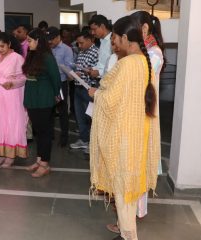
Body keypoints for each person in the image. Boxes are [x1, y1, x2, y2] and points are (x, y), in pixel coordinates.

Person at [88, 16, 160, 240]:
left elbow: (110, 100)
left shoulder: (127, 64)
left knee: (122, 190)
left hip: (124, 136)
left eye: (116, 39)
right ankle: (127, 232)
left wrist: (95, 94)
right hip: (138, 132)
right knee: (129, 189)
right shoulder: (144, 62)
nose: (113, 43)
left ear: (126, 38)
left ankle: (129, 236)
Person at [131, 10, 165, 220]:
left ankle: (134, 212)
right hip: (136, 112)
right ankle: (129, 210)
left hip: (143, 114)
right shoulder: (145, 52)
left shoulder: (154, 54)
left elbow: (139, 80)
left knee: (139, 162)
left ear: (144, 29)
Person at [23, 28, 61, 177]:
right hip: (32, 98)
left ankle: (45, 163)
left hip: (44, 99)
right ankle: (39, 160)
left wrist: (55, 95)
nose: (28, 43)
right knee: (38, 131)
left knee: (45, 132)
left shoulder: (47, 57)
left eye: (30, 40)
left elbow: (56, 79)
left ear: (38, 41)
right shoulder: (31, 55)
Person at [0, 32, 27, 168]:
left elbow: (23, 78)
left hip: (11, 94)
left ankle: (10, 155)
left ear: (9, 44)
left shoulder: (17, 58)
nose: (0, 49)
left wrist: (12, 83)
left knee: (11, 122)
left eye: (2, 46)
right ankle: (2, 153)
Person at [70, 31, 99, 152]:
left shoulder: (96, 52)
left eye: (81, 43)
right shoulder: (81, 52)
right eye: (78, 43)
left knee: (90, 117)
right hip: (78, 87)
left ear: (89, 40)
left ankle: (93, 143)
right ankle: (84, 140)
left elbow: (98, 73)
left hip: (89, 89)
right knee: (80, 116)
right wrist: (74, 74)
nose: (79, 46)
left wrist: (85, 73)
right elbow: (80, 68)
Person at [46, 26, 73, 147]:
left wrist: (56, 70)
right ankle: (50, 134)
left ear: (58, 37)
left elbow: (69, 67)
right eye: (48, 39)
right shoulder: (48, 48)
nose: (50, 41)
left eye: (52, 39)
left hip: (61, 83)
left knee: (62, 111)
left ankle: (64, 138)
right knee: (49, 110)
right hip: (49, 83)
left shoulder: (67, 49)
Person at [87, 14, 112, 79]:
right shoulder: (102, 41)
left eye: (94, 29)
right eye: (91, 30)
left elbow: (114, 65)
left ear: (102, 26)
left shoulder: (113, 41)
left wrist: (99, 72)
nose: (92, 33)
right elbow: (102, 63)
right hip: (102, 80)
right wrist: (93, 68)